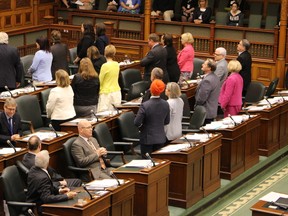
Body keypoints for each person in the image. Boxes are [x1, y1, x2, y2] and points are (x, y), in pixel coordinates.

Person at [134, 79, 170, 157]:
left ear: (151, 90)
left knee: (147, 165)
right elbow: (167, 121)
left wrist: (142, 127)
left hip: (147, 139)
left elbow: (137, 122)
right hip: (160, 138)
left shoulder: (145, 105)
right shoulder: (166, 104)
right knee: (159, 164)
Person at [195, 59, 220, 125]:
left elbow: (201, 98)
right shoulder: (215, 77)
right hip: (212, 110)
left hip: (206, 111)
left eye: (204, 64)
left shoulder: (207, 81)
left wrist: (196, 105)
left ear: (209, 68)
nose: (202, 65)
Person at [97, 45, 121, 112]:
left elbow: (100, 80)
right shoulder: (117, 64)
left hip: (106, 94)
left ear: (105, 53)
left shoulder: (104, 66)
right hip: (116, 91)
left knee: (103, 116)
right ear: (114, 53)